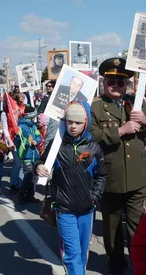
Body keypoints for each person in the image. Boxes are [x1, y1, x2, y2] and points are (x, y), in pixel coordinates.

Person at [89, 57, 146, 275]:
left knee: (138, 226)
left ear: (127, 84)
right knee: (112, 227)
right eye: (111, 81)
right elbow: (90, 137)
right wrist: (120, 131)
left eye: (121, 82)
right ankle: (116, 264)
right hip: (110, 177)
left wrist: (145, 121)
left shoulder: (137, 103)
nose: (116, 86)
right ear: (104, 81)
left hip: (137, 176)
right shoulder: (96, 107)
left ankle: (139, 265)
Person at [35, 101, 108, 275]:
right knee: (71, 254)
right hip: (64, 209)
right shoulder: (56, 145)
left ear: (86, 123)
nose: (73, 126)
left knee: (82, 254)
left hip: (87, 210)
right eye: (69, 122)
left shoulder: (94, 148)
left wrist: (94, 197)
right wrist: (38, 167)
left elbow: (102, 176)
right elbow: (40, 162)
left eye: (78, 122)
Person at [15, 106, 42, 203]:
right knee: (28, 177)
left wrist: (36, 141)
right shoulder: (21, 126)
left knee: (34, 177)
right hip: (26, 154)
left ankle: (30, 195)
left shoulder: (34, 126)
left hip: (34, 154)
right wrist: (18, 136)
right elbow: (17, 142)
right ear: (31, 116)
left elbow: (39, 136)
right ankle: (21, 195)